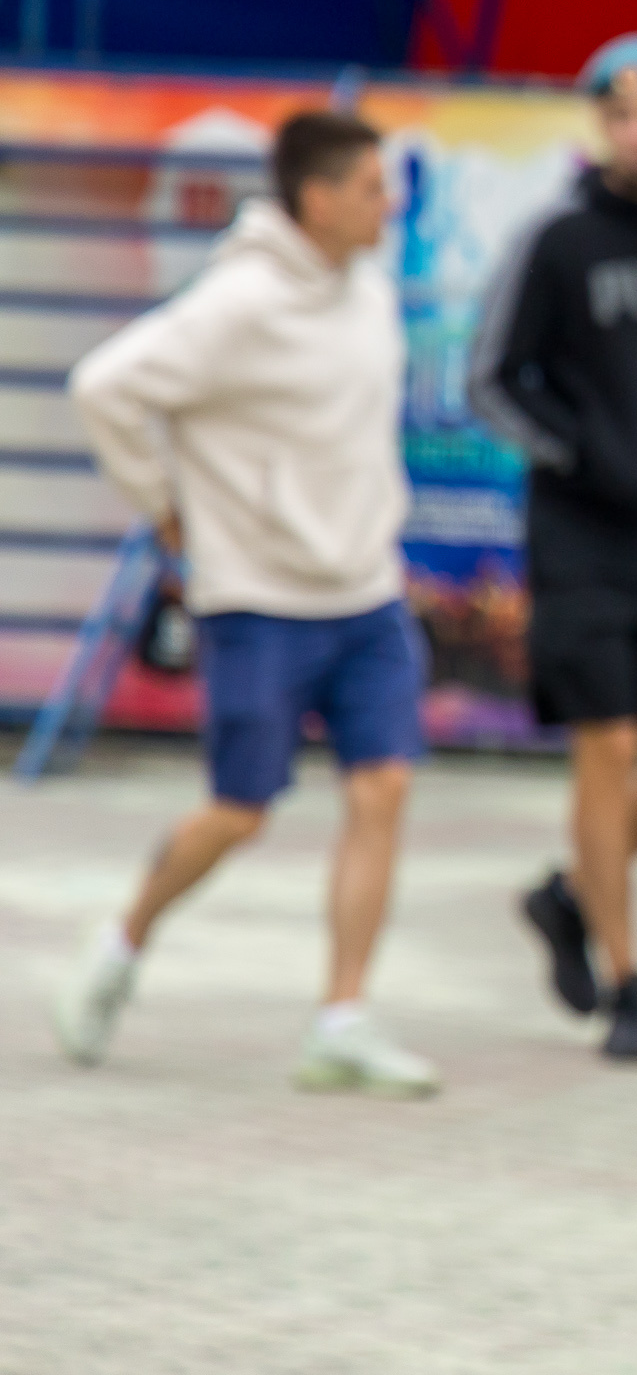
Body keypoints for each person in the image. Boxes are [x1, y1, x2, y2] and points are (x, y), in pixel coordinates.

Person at [57, 109, 438, 1098]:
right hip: (258, 601)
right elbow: (106, 386)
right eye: (369, 187)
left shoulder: (367, 289)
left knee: (383, 787)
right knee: (239, 811)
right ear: (316, 199)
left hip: (366, 592)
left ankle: (341, 1018)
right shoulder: (237, 302)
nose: (387, 203)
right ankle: (122, 943)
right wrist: (166, 508)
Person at [471, 31, 637, 1061]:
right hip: (581, 539)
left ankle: (570, 895)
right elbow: (493, 379)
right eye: (622, 114)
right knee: (603, 751)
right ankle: (630, 986)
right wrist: (575, 452)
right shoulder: (559, 241)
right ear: (601, 124)